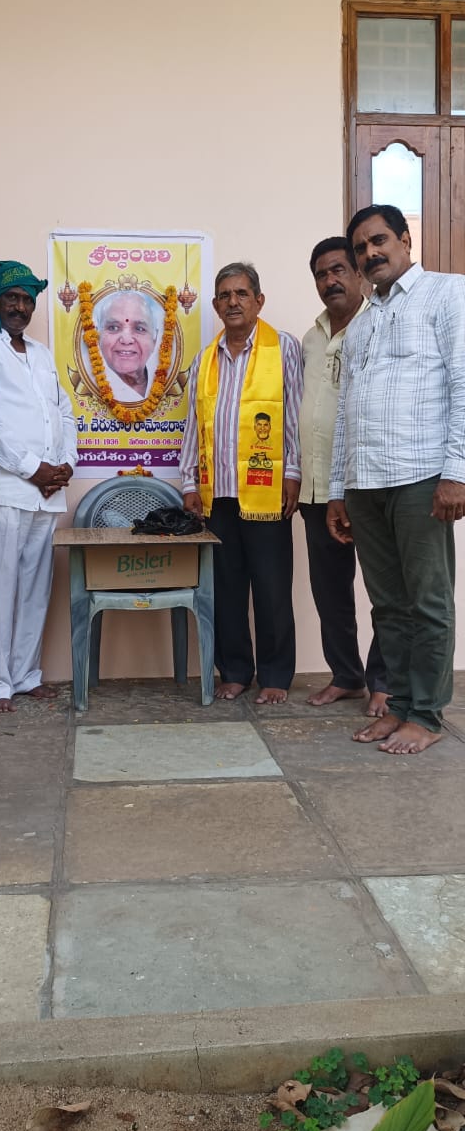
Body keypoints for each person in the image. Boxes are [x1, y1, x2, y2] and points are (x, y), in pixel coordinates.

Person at [328, 204, 465, 754]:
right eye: (361, 248)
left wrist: (457, 473)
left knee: (427, 603)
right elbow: (346, 412)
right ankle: (400, 705)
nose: (370, 253)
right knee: (387, 607)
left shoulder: (447, 294)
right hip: (366, 483)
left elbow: (463, 383)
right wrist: (338, 490)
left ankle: (426, 715)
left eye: (379, 240)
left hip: (420, 477)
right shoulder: (362, 322)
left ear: (406, 240)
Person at [180, 261, 303, 703]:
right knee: (226, 587)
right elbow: (193, 426)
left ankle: (275, 676)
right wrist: (188, 483)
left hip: (267, 491)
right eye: (225, 296)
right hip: (218, 494)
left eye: (242, 293)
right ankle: (234, 670)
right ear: (216, 306)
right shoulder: (204, 359)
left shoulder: (283, 348)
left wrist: (293, 472)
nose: (233, 302)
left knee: (271, 586)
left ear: (259, 301)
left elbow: (294, 413)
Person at [0, 260, 77, 713]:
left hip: (47, 494)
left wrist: (66, 464)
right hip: (6, 488)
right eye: (12, 297)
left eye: (27, 299)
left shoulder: (40, 351)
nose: (20, 306)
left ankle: (26, 674)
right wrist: (33, 468)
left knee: (35, 589)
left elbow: (64, 411)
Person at [300, 236, 388, 714]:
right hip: (316, 487)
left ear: (358, 273)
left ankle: (385, 681)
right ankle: (347, 676)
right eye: (321, 274)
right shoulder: (311, 338)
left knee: (383, 589)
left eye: (338, 270)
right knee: (330, 591)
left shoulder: (380, 326)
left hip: (367, 484)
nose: (330, 280)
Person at [92, 290, 162, 401]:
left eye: (139, 329)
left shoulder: (165, 382)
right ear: (98, 335)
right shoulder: (88, 385)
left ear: (154, 339)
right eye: (113, 328)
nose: (126, 340)